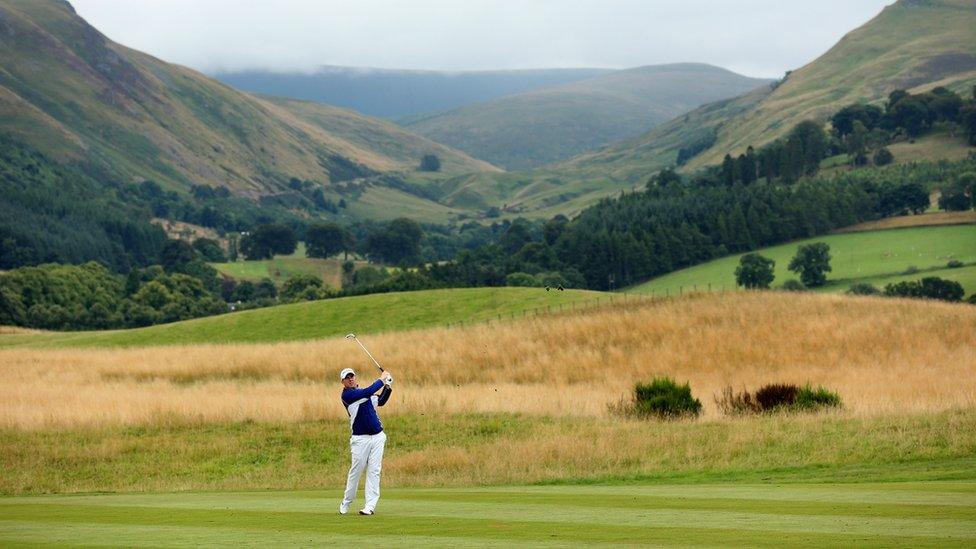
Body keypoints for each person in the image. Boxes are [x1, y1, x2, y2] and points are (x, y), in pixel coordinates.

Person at [338, 367, 392, 515]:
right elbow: (367, 393)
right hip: (360, 439)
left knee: (374, 470)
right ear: (343, 382)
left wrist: (387, 385)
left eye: (352, 376)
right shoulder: (348, 396)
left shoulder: (364, 394)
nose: (350, 379)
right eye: (347, 378)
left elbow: (380, 401)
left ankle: (370, 506)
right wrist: (381, 379)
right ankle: (347, 501)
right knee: (357, 470)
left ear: (355, 377)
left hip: (377, 437)